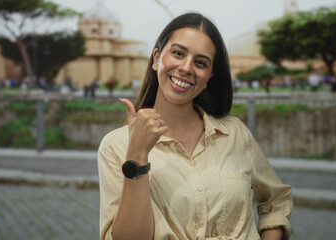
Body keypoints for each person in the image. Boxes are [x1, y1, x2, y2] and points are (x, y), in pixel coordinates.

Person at [97, 12, 292, 240]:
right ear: (157, 58)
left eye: (200, 63)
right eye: (178, 53)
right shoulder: (116, 146)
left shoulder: (235, 134)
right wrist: (137, 156)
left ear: (209, 75)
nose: (186, 68)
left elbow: (276, 200)